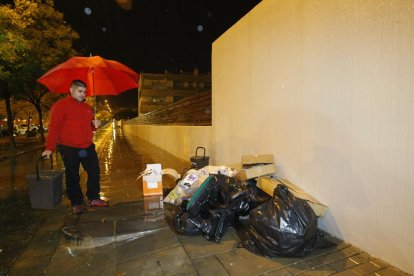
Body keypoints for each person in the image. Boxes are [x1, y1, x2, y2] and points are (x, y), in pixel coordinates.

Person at [42, 79, 108, 214]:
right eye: (80, 91)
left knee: (94, 171)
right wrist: (49, 147)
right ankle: (77, 202)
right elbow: (54, 128)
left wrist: (95, 125)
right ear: (71, 90)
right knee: (72, 175)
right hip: (68, 146)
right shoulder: (60, 106)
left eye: (84, 92)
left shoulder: (87, 108)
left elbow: (90, 127)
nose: (83, 94)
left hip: (87, 146)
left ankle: (93, 197)